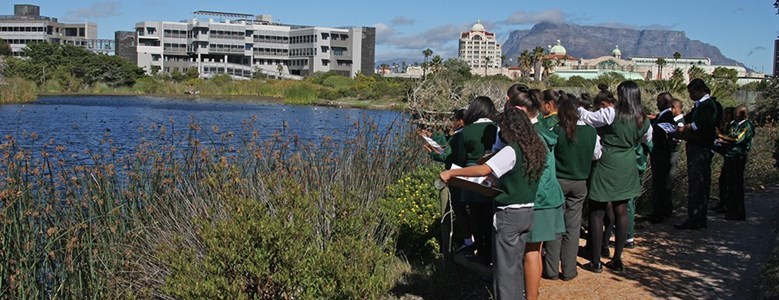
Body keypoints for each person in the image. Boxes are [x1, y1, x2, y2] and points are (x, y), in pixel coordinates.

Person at [439, 108, 547, 300]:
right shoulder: (537, 147)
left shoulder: (511, 150)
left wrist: (452, 173)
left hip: (509, 216)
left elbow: (483, 169)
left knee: (504, 272)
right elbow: (518, 177)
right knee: (515, 265)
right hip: (528, 212)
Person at [578, 80, 652, 272]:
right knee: (621, 210)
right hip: (627, 163)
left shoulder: (611, 113)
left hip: (607, 160)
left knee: (597, 209)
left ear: (622, 95)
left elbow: (589, 118)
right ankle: (617, 260)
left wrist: (577, 108)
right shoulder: (643, 118)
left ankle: (595, 261)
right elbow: (647, 138)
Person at [510, 89, 565, 300]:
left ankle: (530, 295)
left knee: (530, 252)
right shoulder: (545, 129)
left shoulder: (533, 136)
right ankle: (533, 291)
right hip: (549, 194)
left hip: (539, 197)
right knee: (535, 249)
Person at [542, 97, 601, 281]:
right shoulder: (591, 132)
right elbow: (596, 154)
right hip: (580, 182)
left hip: (558, 182)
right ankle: (569, 270)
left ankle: (551, 270)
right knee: (573, 227)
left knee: (554, 225)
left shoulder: (556, 131)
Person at [421, 108, 477, 253]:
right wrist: (434, 137)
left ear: (460, 121)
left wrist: (433, 154)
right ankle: (473, 241)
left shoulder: (460, 136)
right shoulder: (469, 134)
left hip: (457, 178)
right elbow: (447, 147)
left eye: (454, 120)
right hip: (469, 178)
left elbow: (446, 155)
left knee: (460, 210)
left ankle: (469, 242)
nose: (452, 123)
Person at [452, 96, 499, 263]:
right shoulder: (496, 128)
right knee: (490, 217)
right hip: (493, 174)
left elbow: (460, 157)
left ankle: (481, 253)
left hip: (471, 177)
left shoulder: (467, 131)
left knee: (476, 217)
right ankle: (493, 253)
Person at [674, 79, 722, 230]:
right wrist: (677, 119)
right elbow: (689, 118)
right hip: (700, 146)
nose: (690, 95)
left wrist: (686, 128)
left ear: (700, 90)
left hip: (700, 147)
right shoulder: (701, 105)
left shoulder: (707, 105)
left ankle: (695, 217)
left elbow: (701, 125)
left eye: (691, 92)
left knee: (697, 183)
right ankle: (699, 217)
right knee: (701, 183)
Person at [714, 104, 756, 220]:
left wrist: (720, 136)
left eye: (737, 114)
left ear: (744, 114)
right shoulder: (736, 125)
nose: (735, 116)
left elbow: (736, 139)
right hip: (730, 156)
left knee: (736, 186)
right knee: (728, 184)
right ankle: (730, 209)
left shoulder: (746, 126)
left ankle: (737, 212)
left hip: (738, 157)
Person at [648, 94, 683, 224]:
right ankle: (664, 209)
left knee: (660, 182)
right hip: (660, 152)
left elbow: (661, 130)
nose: (657, 103)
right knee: (663, 182)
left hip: (662, 152)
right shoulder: (663, 114)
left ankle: (658, 213)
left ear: (665, 102)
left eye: (659, 101)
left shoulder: (668, 116)